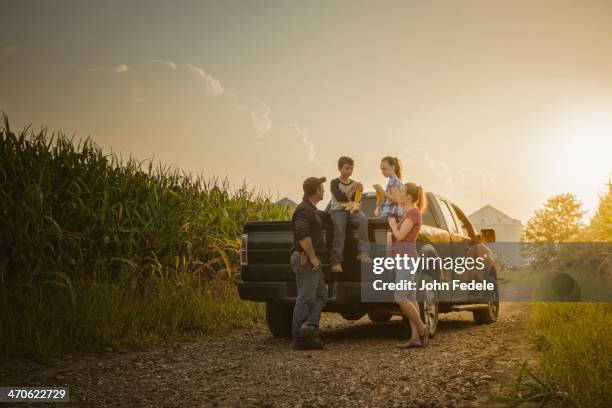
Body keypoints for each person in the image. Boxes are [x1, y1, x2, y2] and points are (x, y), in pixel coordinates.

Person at [388, 182, 430, 348]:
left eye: (402, 192)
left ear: (409, 197)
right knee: (411, 297)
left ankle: (422, 327)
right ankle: (415, 338)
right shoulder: (407, 213)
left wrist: (392, 224)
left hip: (406, 259)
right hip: (402, 258)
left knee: (399, 296)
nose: (399, 194)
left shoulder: (413, 213)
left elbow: (400, 235)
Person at [291, 176, 328, 350]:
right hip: (306, 259)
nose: (324, 190)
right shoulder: (304, 210)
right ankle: (300, 338)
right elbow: (301, 233)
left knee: (321, 295)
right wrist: (311, 256)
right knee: (305, 297)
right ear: (316, 191)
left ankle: (309, 328)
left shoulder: (312, 209)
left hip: (313, 259)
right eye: (322, 187)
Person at [329, 156, 371, 273]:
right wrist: (351, 188)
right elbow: (340, 197)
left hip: (351, 209)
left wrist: (359, 191)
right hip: (338, 210)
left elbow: (355, 200)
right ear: (339, 168)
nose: (349, 171)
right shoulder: (334, 183)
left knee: (363, 219)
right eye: (347, 168)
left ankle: (363, 253)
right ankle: (336, 262)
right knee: (340, 232)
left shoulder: (354, 183)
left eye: (351, 169)